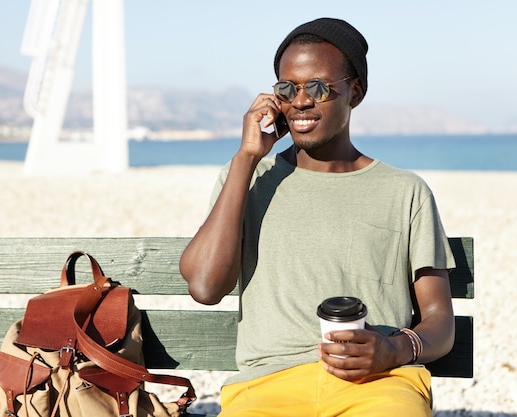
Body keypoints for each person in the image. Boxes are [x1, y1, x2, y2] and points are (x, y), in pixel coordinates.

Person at [179, 17, 456, 416]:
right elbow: (205, 287)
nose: (301, 101)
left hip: (379, 387)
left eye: (319, 87)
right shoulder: (247, 179)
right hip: (266, 386)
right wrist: (246, 158)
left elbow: (438, 318)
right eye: (287, 88)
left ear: (354, 92)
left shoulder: (405, 191)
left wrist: (395, 348)